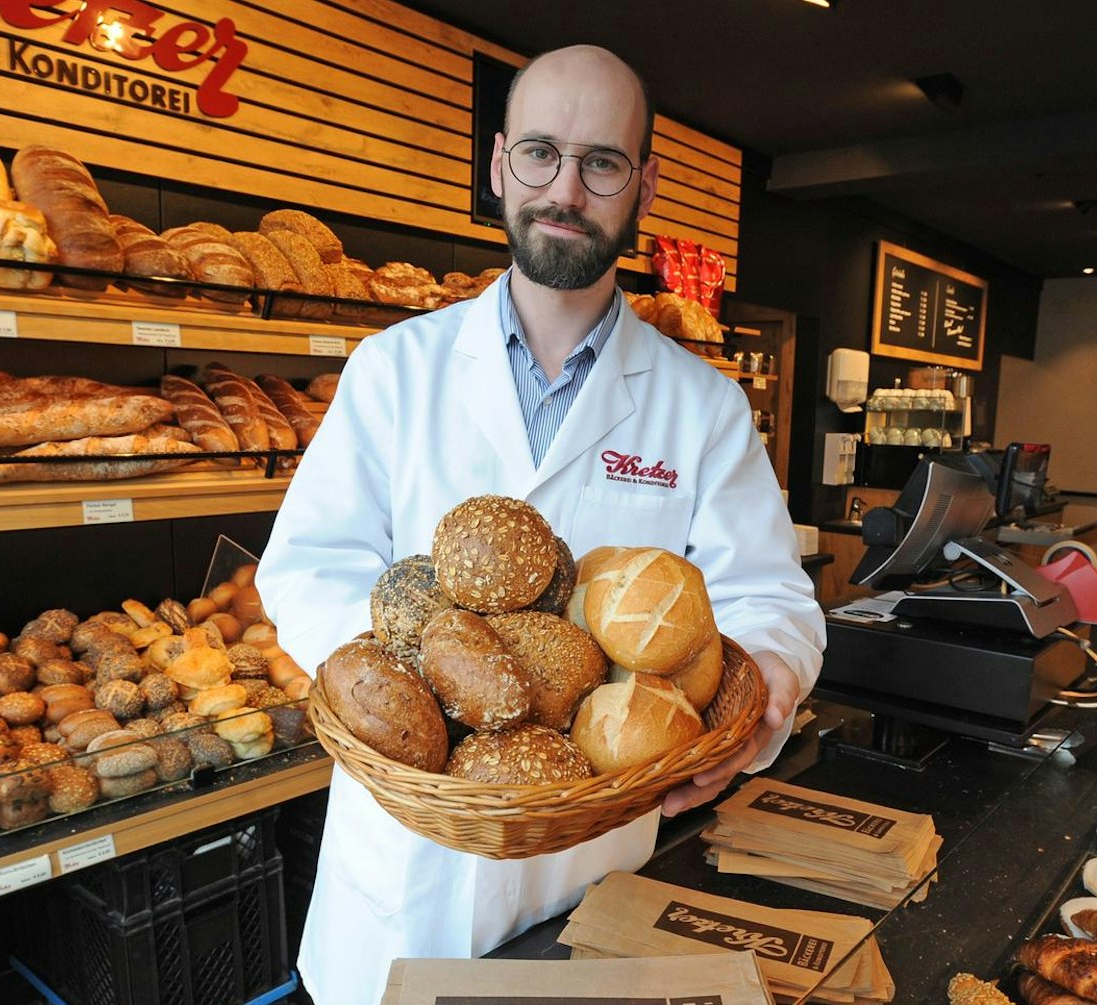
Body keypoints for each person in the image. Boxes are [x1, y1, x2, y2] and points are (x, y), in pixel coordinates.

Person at [256, 44, 823, 1005]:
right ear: (496, 165)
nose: (566, 188)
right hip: (403, 877)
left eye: (601, 162)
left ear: (643, 184)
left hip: (593, 878)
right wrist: (425, 692)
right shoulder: (395, 368)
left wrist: (758, 692)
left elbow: (770, 596)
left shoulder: (704, 406)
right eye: (540, 154)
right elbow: (305, 566)